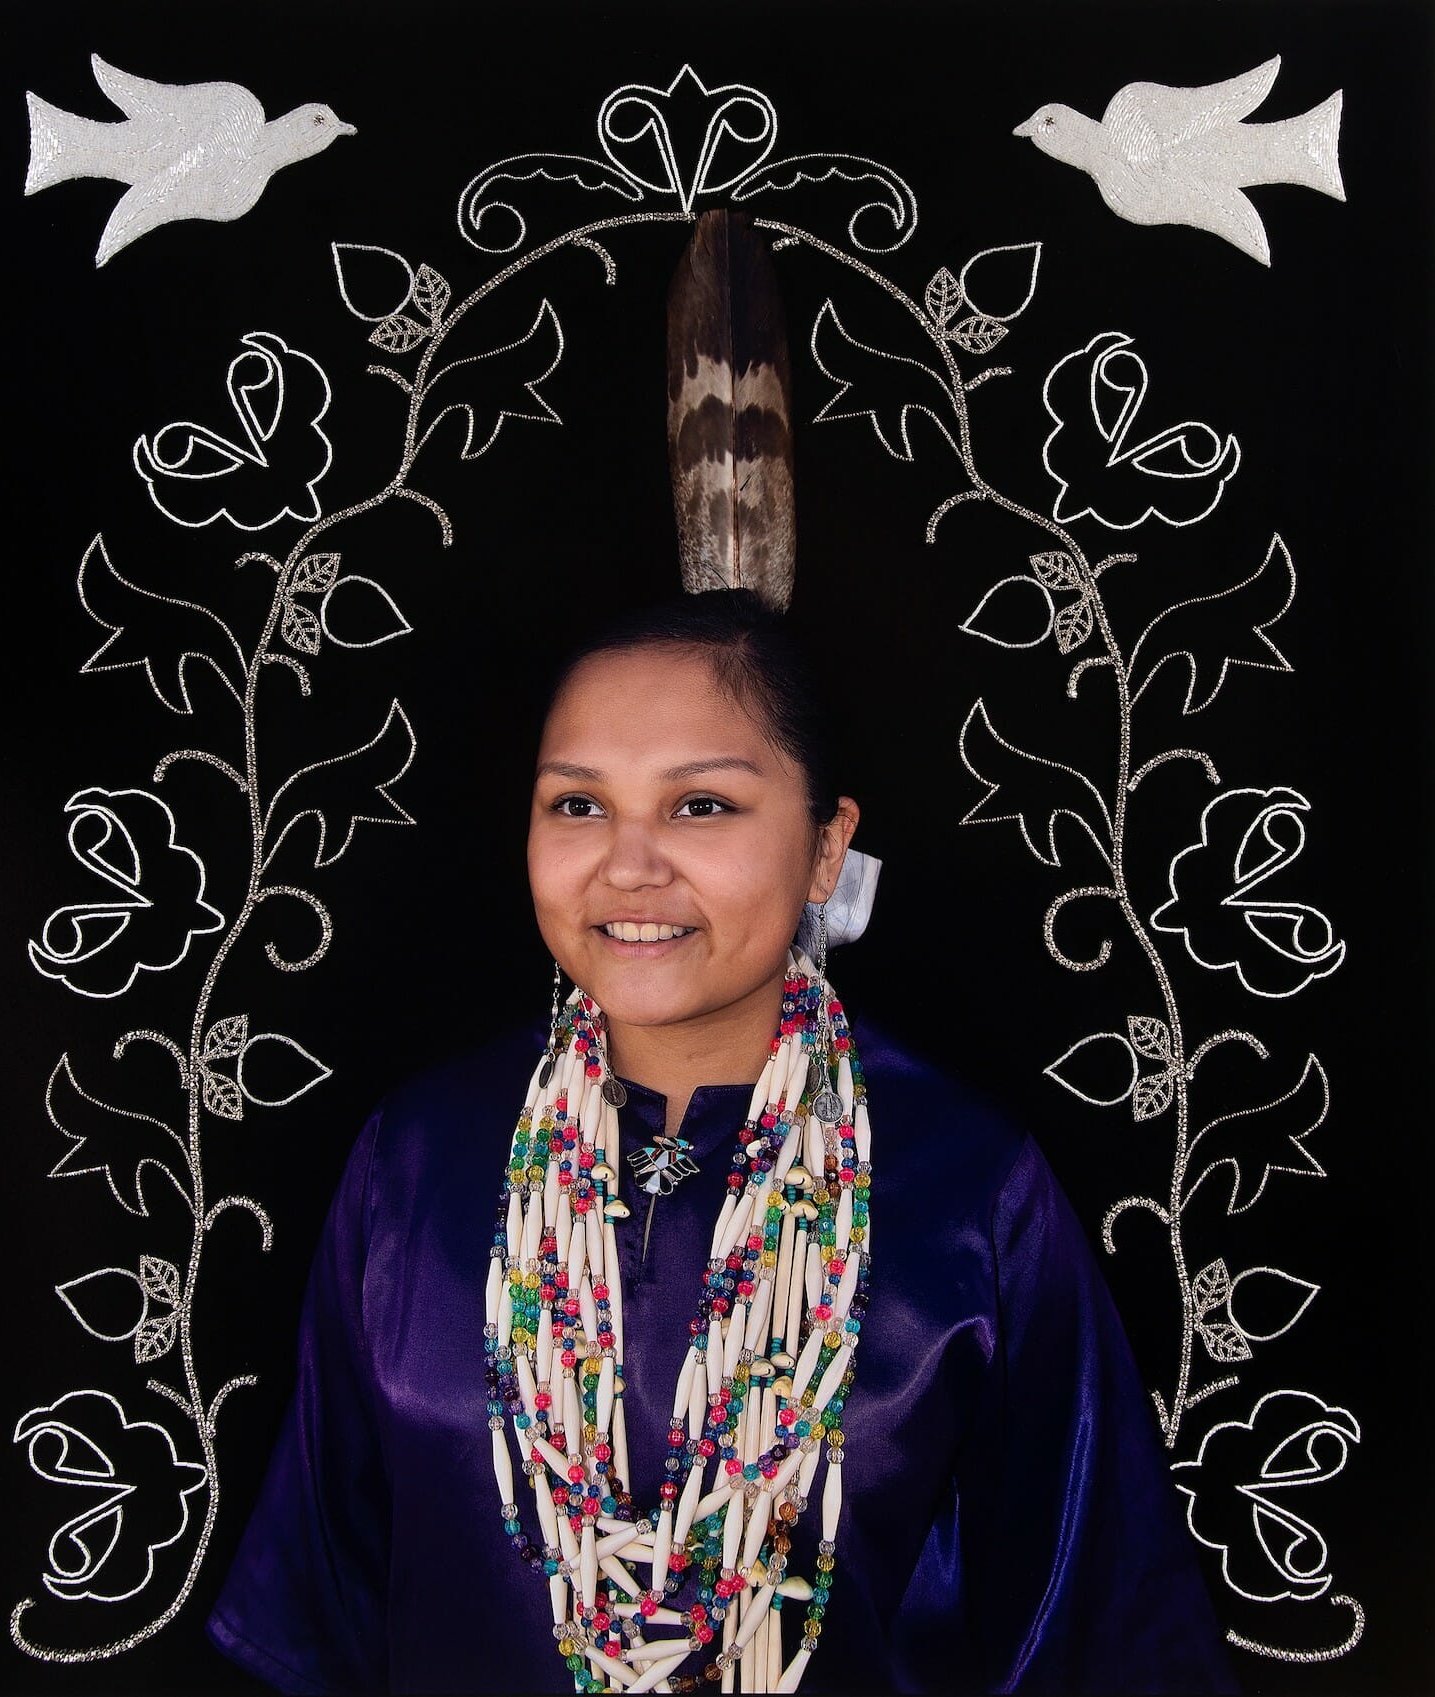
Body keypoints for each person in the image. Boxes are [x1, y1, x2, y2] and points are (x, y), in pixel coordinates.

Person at [205, 590, 1239, 1694]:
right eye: (577, 804)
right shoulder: (418, 1161)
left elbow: (1095, 1638)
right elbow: (321, 1611)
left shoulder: (967, 1189)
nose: (629, 864)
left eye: (701, 804)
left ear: (827, 846)